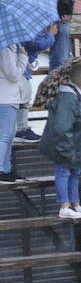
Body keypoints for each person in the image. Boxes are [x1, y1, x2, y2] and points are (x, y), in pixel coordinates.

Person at [39, 59, 81, 218]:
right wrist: (67, 150)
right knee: (63, 172)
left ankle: (75, 204)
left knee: (75, 172)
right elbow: (62, 127)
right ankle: (64, 206)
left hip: (78, 144)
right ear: (78, 80)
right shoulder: (67, 98)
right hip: (66, 145)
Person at [0, 41, 24, 183]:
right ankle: (1, 168)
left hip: (9, 97)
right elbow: (13, 75)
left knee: (9, 136)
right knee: (4, 136)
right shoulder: (6, 49)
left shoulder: (10, 48)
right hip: (5, 97)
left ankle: (6, 168)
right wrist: (23, 58)